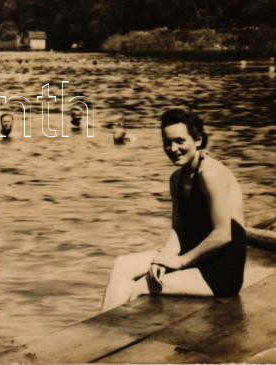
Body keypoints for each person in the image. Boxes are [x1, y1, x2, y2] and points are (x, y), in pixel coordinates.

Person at [101, 109, 246, 312]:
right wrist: (164, 259)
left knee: (140, 287)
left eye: (179, 141)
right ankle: (102, 326)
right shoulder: (176, 179)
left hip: (221, 269)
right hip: (194, 255)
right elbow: (178, 230)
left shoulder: (211, 174)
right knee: (122, 265)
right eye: (167, 143)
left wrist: (179, 262)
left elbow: (222, 235)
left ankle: (113, 330)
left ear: (198, 140)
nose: (173, 148)